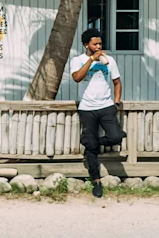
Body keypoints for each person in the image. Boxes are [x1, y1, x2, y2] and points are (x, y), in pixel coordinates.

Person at [70, 28, 125, 198]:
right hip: (87, 108)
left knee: (116, 136)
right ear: (86, 45)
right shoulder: (77, 60)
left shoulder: (109, 60)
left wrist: (116, 103)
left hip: (106, 106)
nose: (99, 46)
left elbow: (117, 82)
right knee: (91, 148)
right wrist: (91, 60)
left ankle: (92, 141)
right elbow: (77, 78)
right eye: (95, 44)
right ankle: (96, 181)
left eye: (100, 43)